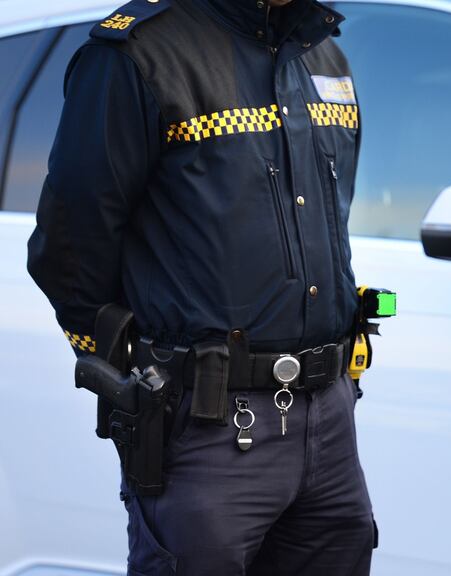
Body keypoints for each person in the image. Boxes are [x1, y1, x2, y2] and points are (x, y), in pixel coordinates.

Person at [26, 0, 375, 573]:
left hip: (330, 422)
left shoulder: (324, 53)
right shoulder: (139, 55)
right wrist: (137, 375)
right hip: (205, 430)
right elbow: (70, 248)